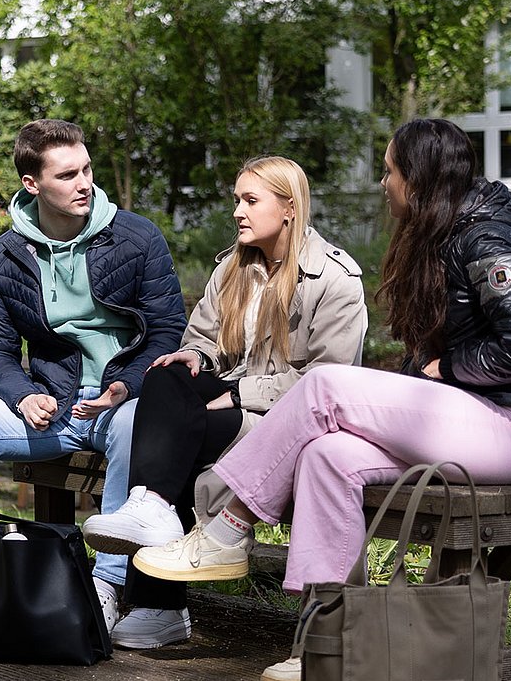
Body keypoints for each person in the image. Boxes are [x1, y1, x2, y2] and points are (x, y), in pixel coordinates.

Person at [131, 119, 511, 681]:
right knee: (327, 455)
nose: (384, 182)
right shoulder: (439, 235)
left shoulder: (485, 238)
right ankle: (328, 643)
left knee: (326, 386)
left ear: (420, 177)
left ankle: (228, 526)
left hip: (510, 426)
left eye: (390, 171)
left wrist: (447, 370)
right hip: (457, 421)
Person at [0, 118, 187, 642]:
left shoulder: (136, 237)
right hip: (54, 405)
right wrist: (22, 393)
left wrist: (126, 386)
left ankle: (106, 587)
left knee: (139, 427)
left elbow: (168, 333)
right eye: (68, 174)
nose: (84, 184)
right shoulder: (6, 255)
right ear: (33, 184)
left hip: (124, 402)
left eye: (87, 169)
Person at [81, 156, 367, 649]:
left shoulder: (334, 279)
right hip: (230, 407)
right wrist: (194, 357)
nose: (238, 211)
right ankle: (150, 509)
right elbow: (203, 340)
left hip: (286, 424)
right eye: (237, 200)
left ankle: (159, 603)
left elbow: (329, 382)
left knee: (177, 444)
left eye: (251, 201)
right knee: (169, 373)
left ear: (290, 207)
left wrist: (237, 393)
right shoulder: (234, 268)